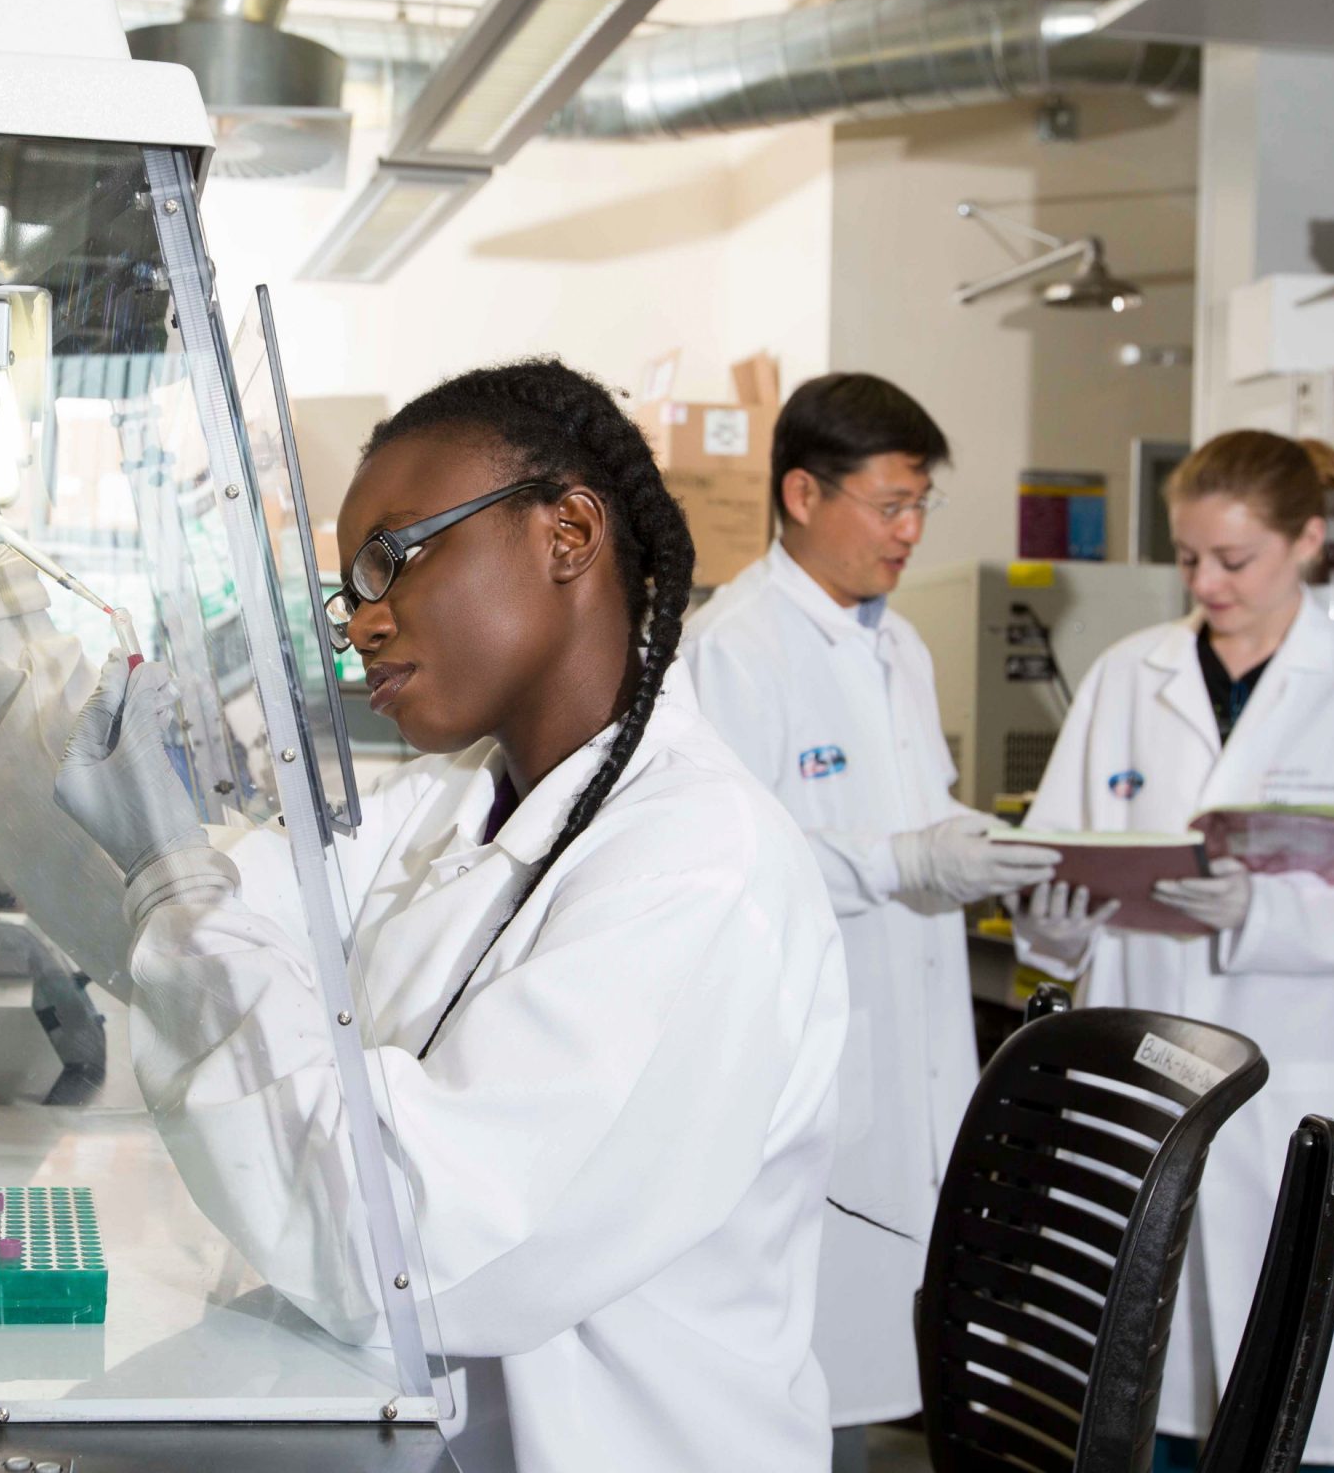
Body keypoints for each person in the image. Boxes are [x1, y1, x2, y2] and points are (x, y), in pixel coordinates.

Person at [48, 360, 850, 1473]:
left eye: (390, 560)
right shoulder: (446, 808)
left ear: (567, 532)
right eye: (348, 592)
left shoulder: (703, 870)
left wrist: (175, 883)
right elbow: (228, 910)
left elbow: (407, 1251)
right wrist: (143, 832)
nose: (360, 624)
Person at [1011, 430, 1334, 1473]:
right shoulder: (1129, 675)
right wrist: (1059, 913)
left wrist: (1257, 909)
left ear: (1308, 539)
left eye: (1235, 559)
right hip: (1151, 1083)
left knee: (1301, 1404)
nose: (1207, 582)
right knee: (1145, 1402)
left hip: (1308, 1074)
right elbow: (1045, 867)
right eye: (1190, 557)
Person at [680, 371, 1061, 1466]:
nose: (910, 530)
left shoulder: (898, 645)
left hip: (915, 1066)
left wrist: (981, 850)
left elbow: (917, 822)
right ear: (803, 493)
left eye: (921, 505)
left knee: (899, 1367)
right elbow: (727, 866)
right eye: (891, 503)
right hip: (813, 1084)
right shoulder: (735, 648)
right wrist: (903, 858)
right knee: (809, 1395)